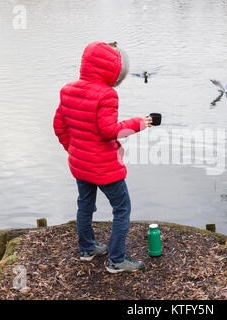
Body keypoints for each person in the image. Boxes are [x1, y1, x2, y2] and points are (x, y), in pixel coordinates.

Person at [53, 41, 152, 273]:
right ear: (111, 69)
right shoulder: (107, 94)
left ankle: (87, 249)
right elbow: (109, 130)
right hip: (104, 166)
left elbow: (59, 126)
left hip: (80, 163)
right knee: (122, 208)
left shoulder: (68, 90)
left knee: (85, 205)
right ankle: (117, 261)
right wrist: (138, 123)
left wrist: (75, 150)